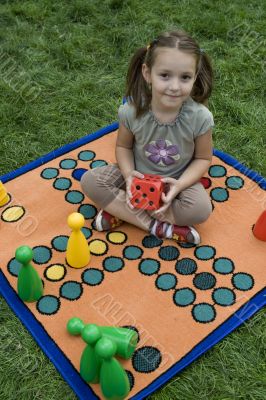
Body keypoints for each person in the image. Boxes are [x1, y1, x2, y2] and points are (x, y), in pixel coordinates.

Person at [81, 29, 214, 245]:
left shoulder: (200, 117)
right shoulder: (131, 111)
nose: (174, 86)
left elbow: (203, 158)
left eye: (185, 77)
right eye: (164, 75)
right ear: (147, 72)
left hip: (176, 181)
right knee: (90, 181)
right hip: (136, 176)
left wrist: (179, 186)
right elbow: (123, 147)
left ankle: (122, 212)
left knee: (200, 209)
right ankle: (159, 227)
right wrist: (128, 176)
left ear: (195, 77)